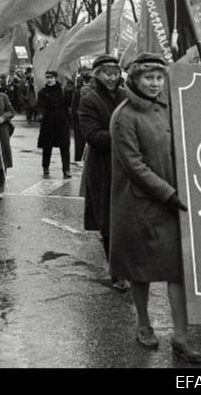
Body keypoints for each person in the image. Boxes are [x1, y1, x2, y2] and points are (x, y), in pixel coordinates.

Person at [109, 53, 201, 363]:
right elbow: (134, 165)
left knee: (177, 270)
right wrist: (168, 194)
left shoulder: (168, 107)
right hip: (141, 204)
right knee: (142, 270)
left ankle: (180, 335)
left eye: (159, 77)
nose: (154, 83)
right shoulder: (124, 116)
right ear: (134, 80)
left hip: (172, 199)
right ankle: (144, 323)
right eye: (148, 78)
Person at [78, 55, 129, 291]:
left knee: (128, 218)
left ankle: (128, 265)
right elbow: (92, 136)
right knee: (109, 221)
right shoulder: (89, 99)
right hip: (103, 167)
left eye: (115, 72)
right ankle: (118, 273)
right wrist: (124, 138)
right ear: (97, 73)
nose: (112, 77)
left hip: (127, 165)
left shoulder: (125, 95)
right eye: (107, 72)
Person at [36, 70, 72, 179]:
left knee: (64, 147)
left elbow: (68, 104)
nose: (49, 79)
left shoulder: (63, 90)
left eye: (51, 77)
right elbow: (40, 106)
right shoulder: (42, 92)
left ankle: (66, 169)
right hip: (48, 122)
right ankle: (45, 167)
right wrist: (41, 114)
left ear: (55, 78)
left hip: (61, 122)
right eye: (47, 77)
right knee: (47, 147)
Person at [71, 69, 93, 163]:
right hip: (90, 121)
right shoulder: (94, 91)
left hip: (80, 120)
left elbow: (73, 107)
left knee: (80, 143)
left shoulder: (77, 91)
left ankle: (79, 160)